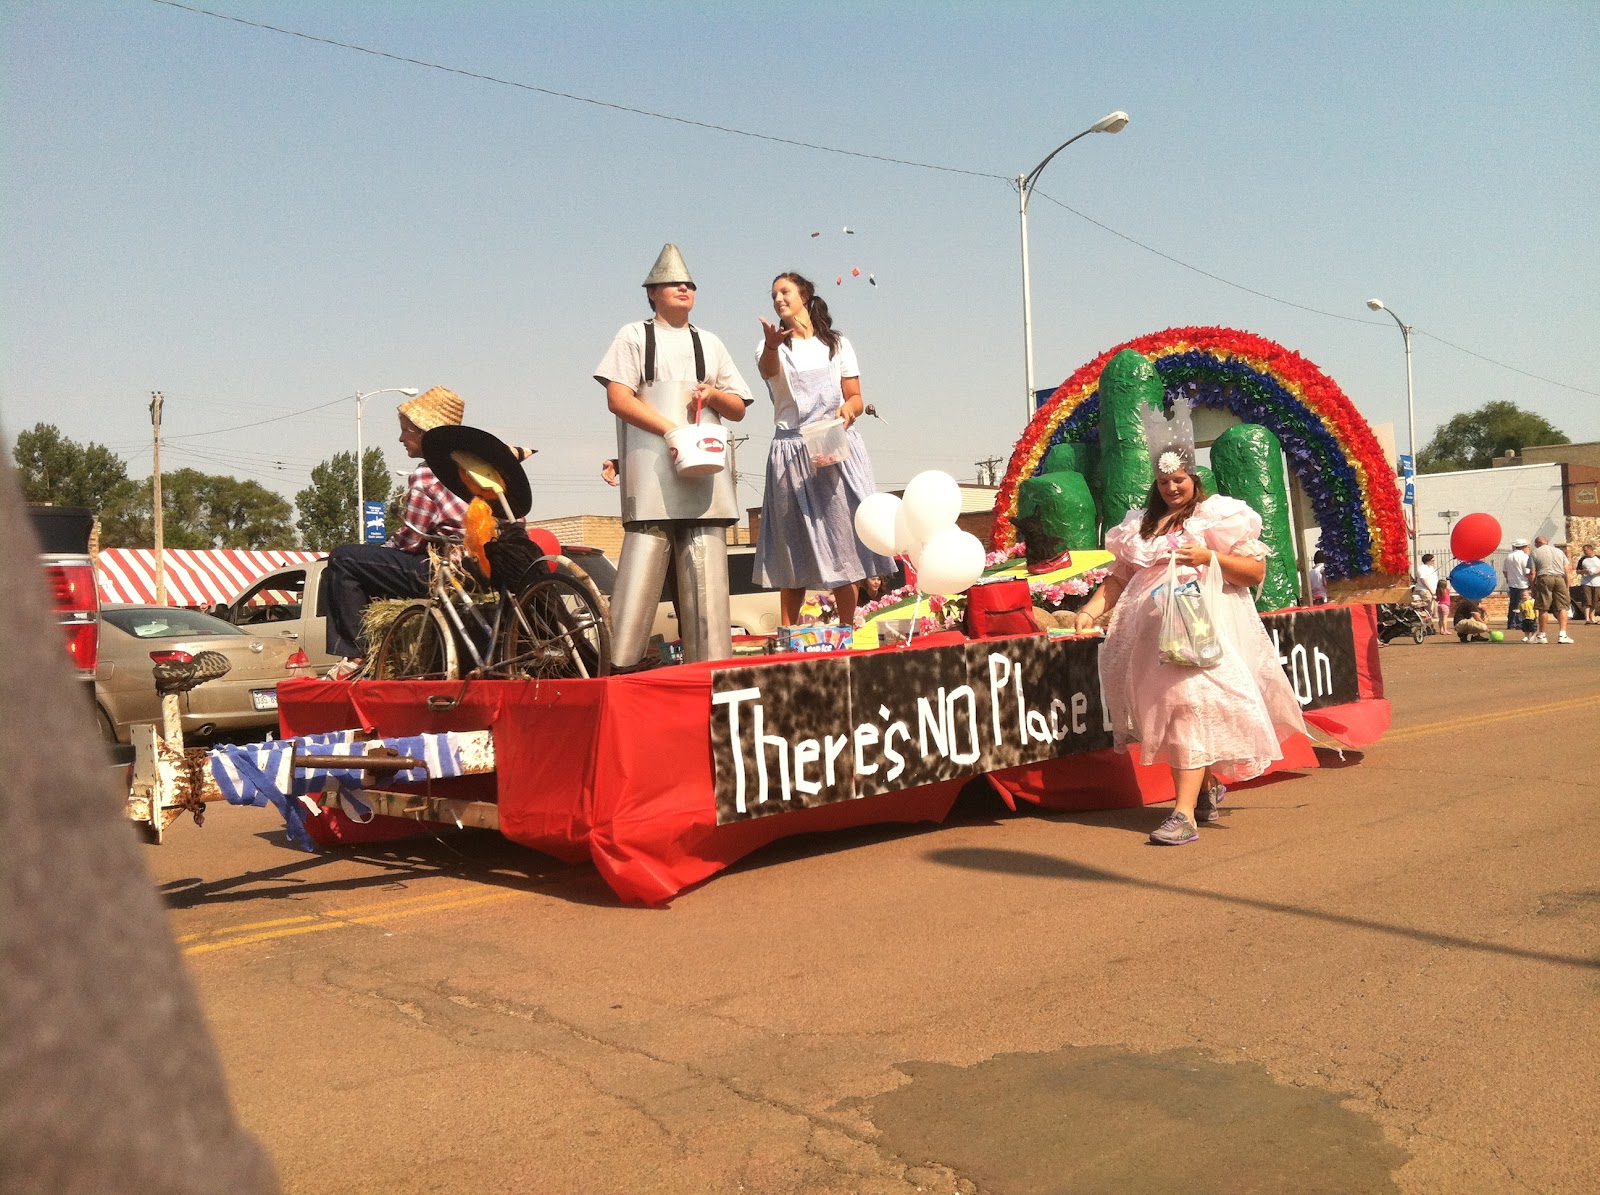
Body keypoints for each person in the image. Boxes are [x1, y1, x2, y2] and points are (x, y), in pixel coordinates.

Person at [1073, 434, 1308, 846]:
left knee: (1191, 707)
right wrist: (1090, 610)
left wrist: (1208, 557)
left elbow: (1254, 573)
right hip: (1150, 645)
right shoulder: (1140, 524)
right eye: (1164, 482)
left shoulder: (1217, 517)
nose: (1171, 488)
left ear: (1194, 478)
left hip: (1197, 634)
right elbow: (1118, 579)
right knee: (1171, 711)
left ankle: (1182, 815)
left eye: (1178, 479)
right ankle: (1206, 787)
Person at [594, 243, 752, 667]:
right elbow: (618, 398)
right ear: (652, 292)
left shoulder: (710, 343)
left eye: (689, 284)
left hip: (705, 483)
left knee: (707, 592)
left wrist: (715, 393)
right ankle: (617, 670)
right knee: (639, 578)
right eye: (673, 283)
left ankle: (710, 677)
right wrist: (669, 429)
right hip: (651, 478)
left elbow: (737, 407)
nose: (684, 288)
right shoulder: (633, 336)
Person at [751, 272, 895, 628]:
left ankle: (847, 629)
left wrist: (849, 410)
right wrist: (771, 345)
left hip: (833, 442)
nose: (778, 299)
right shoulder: (771, 347)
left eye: (784, 292)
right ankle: (789, 632)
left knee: (842, 540)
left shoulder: (836, 344)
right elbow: (768, 371)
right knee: (792, 545)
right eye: (773, 295)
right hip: (791, 451)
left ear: (804, 295)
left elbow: (856, 397)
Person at [322, 387, 467, 676]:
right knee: (367, 562)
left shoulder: (428, 473)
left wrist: (382, 550)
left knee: (343, 559)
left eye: (406, 432)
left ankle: (357, 657)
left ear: (425, 433)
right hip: (480, 565)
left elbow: (411, 541)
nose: (401, 439)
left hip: (444, 568)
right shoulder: (473, 468)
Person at [1528, 535, 1575, 644]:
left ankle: (1542, 635)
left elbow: (1532, 572)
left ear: (1537, 544)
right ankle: (1562, 634)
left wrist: (1532, 587)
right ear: (1547, 542)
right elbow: (1567, 570)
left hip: (1544, 577)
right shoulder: (1559, 552)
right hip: (1559, 578)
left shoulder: (1535, 553)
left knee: (1543, 607)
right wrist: (1567, 586)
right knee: (1562, 606)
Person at [1502, 538, 1532, 631]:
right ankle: (1519, 622)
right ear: (1524, 547)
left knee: (1513, 604)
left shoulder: (1508, 557)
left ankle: (1511, 622)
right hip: (1523, 583)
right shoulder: (1525, 557)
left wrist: (1508, 579)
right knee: (1521, 603)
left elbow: (1505, 571)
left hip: (1512, 583)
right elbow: (1527, 572)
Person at [1576, 542, 1600, 625]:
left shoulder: (1598, 558)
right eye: (1583, 551)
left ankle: (1592, 617)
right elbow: (1577, 571)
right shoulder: (1583, 559)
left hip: (1597, 582)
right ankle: (1587, 619)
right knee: (1587, 601)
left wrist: (1597, 571)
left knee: (1595, 601)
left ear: (1590, 550)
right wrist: (1585, 571)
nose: (1584, 552)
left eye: (1585, 550)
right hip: (1586, 582)